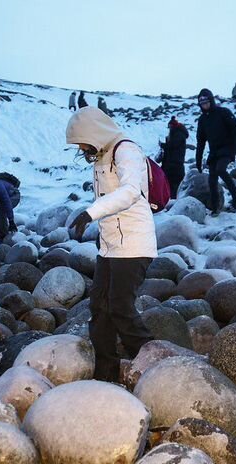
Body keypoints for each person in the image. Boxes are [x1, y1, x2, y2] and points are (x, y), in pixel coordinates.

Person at [65, 106, 156, 382]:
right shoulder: (101, 155)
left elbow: (129, 192)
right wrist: (98, 230)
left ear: (94, 132)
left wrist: (89, 214)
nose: (81, 148)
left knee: (120, 308)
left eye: (81, 141)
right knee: (100, 309)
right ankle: (105, 374)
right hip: (110, 246)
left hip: (134, 244)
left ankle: (154, 368)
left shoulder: (126, 150)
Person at [195, 88, 236, 214]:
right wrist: (198, 160)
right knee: (212, 179)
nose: (205, 105)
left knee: (221, 169)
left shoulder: (223, 112)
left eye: (206, 102)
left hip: (228, 148)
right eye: (202, 103)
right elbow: (201, 142)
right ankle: (215, 206)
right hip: (214, 152)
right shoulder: (202, 120)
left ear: (211, 101)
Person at [159, 116, 189, 198]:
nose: (169, 128)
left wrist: (163, 145)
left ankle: (172, 200)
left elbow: (172, 145)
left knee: (173, 184)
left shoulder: (178, 135)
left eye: (170, 127)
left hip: (175, 164)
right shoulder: (176, 134)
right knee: (170, 183)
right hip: (172, 164)